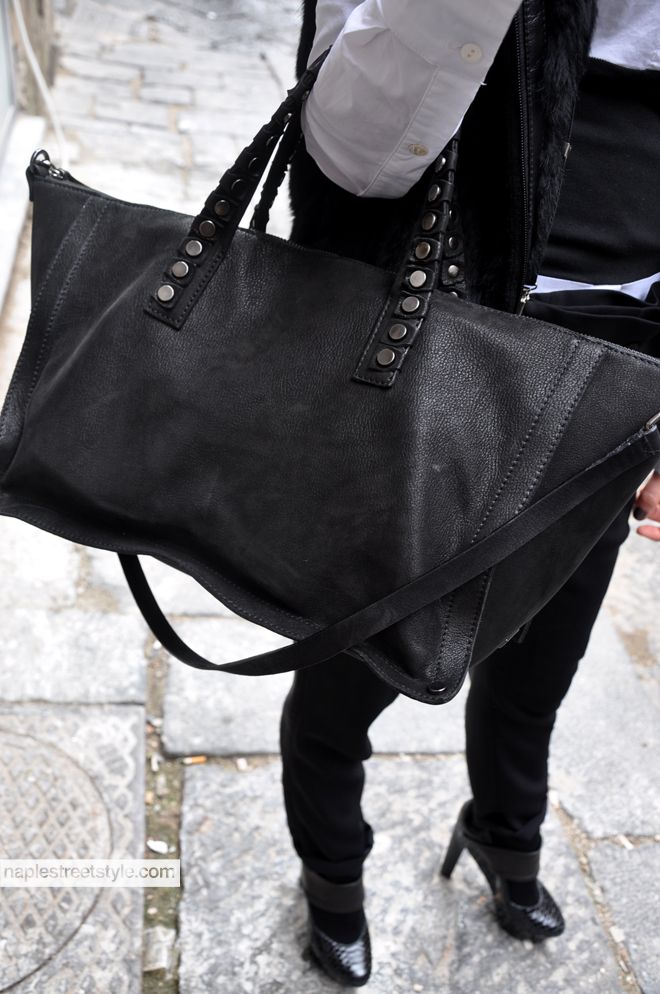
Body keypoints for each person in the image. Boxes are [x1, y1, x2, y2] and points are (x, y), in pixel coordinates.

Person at [279, 0, 660, 985]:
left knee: (542, 663)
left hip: (620, 389)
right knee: (358, 654)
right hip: (444, 347)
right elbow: (343, 151)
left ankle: (504, 834)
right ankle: (331, 870)